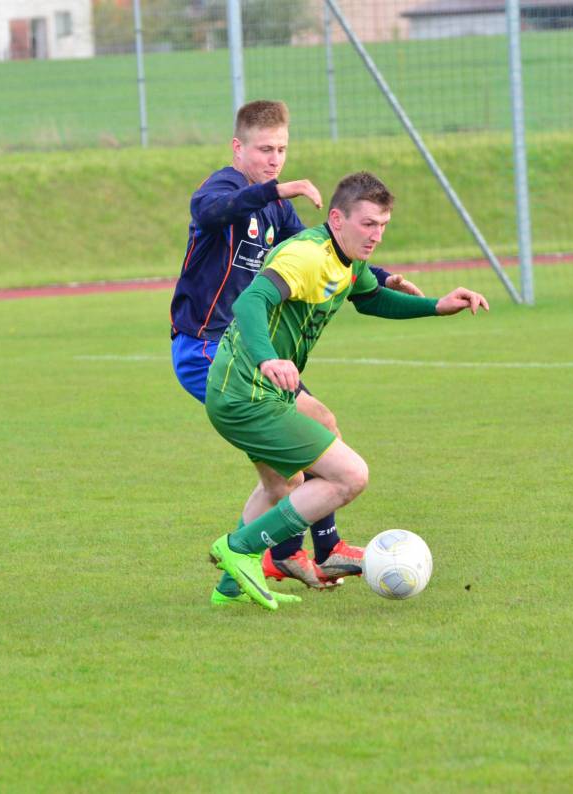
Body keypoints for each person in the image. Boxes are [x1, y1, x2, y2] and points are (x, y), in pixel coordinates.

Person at [168, 100, 422, 602]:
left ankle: (235, 584)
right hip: (206, 348)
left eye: (282, 150)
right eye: (265, 149)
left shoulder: (278, 209)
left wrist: (381, 275)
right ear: (237, 148)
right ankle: (302, 551)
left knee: (289, 471)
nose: (275, 160)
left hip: (247, 345)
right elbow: (208, 212)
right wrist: (274, 190)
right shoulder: (224, 188)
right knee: (297, 466)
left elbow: (322, 247)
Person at [204, 171, 489, 610]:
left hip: (256, 391)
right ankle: (240, 548)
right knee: (350, 475)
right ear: (337, 219)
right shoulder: (307, 256)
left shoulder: (348, 259)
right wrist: (267, 359)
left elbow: (372, 298)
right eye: (368, 224)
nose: (376, 235)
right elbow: (249, 301)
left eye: (383, 225)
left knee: (284, 481)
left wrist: (436, 306)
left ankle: (231, 588)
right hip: (246, 393)